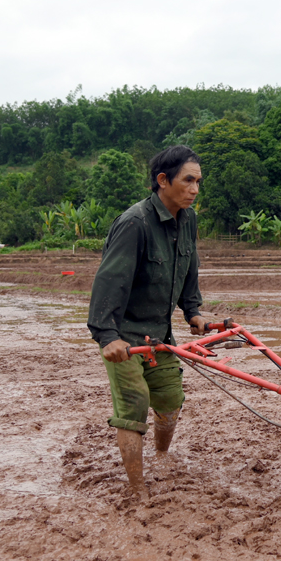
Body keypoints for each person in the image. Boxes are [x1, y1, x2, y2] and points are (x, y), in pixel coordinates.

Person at [87, 145, 209, 499]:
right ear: (162, 180)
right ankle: (139, 490)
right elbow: (109, 282)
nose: (195, 188)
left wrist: (193, 311)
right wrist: (106, 335)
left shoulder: (189, 220)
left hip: (159, 334)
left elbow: (190, 270)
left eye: (199, 181)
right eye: (188, 180)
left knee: (170, 398)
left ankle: (160, 457)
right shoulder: (135, 223)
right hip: (124, 336)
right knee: (135, 403)